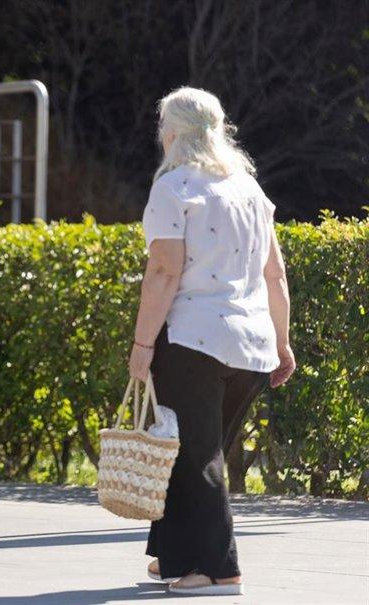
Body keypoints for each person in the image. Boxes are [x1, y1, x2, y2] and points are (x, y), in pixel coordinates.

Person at [127, 87, 296, 596]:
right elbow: (276, 276)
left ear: (170, 133)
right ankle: (172, 556)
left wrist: (141, 347)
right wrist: (283, 343)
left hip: (194, 340)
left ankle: (221, 571)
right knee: (192, 451)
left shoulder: (175, 188)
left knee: (195, 456)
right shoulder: (249, 189)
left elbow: (162, 272)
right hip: (251, 346)